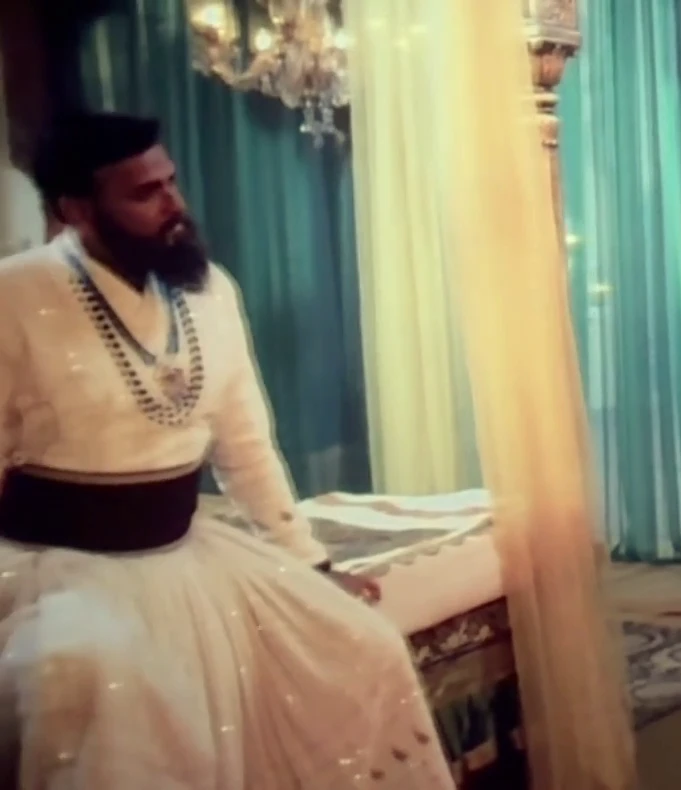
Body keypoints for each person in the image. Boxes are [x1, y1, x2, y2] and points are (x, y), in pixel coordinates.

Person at [0, 112, 456, 788]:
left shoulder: (210, 290)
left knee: (366, 644)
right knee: (101, 679)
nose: (174, 204)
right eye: (145, 192)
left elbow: (244, 446)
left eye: (171, 181)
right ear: (76, 211)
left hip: (188, 549)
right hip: (61, 567)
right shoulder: (15, 296)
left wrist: (310, 562)